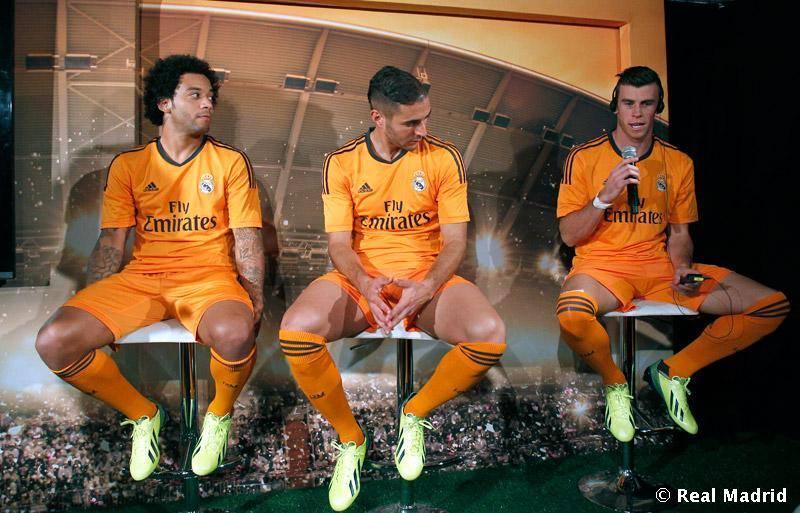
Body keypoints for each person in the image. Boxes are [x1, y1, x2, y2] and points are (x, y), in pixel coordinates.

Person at [279, 66, 506, 511]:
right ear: (378, 118)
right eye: (412, 122)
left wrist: (426, 286)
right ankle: (351, 439)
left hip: (425, 278)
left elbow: (455, 242)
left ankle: (414, 415)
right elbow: (339, 245)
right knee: (296, 331)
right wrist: (365, 282)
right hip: (363, 280)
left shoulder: (444, 158)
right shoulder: (342, 162)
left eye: (426, 118)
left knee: (490, 335)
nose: (424, 130)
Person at [34, 54, 264, 480]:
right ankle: (143, 415)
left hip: (209, 280)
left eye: (210, 96)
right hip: (143, 279)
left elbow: (248, 238)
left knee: (236, 332)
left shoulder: (230, 162)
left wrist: (254, 298)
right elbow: (111, 241)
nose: (207, 103)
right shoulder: (129, 165)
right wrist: (96, 298)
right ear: (164, 103)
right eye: (194, 95)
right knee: (54, 341)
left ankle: (218, 416)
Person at [556, 65, 789, 442]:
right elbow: (569, 235)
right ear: (616, 106)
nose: (637, 113)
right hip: (602, 269)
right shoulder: (583, 157)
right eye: (629, 103)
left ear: (658, 107)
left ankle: (673, 371)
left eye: (646, 104)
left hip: (661, 269)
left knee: (771, 305)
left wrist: (682, 267)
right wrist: (605, 196)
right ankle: (616, 385)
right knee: (571, 314)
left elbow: (680, 233)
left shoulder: (678, 162)